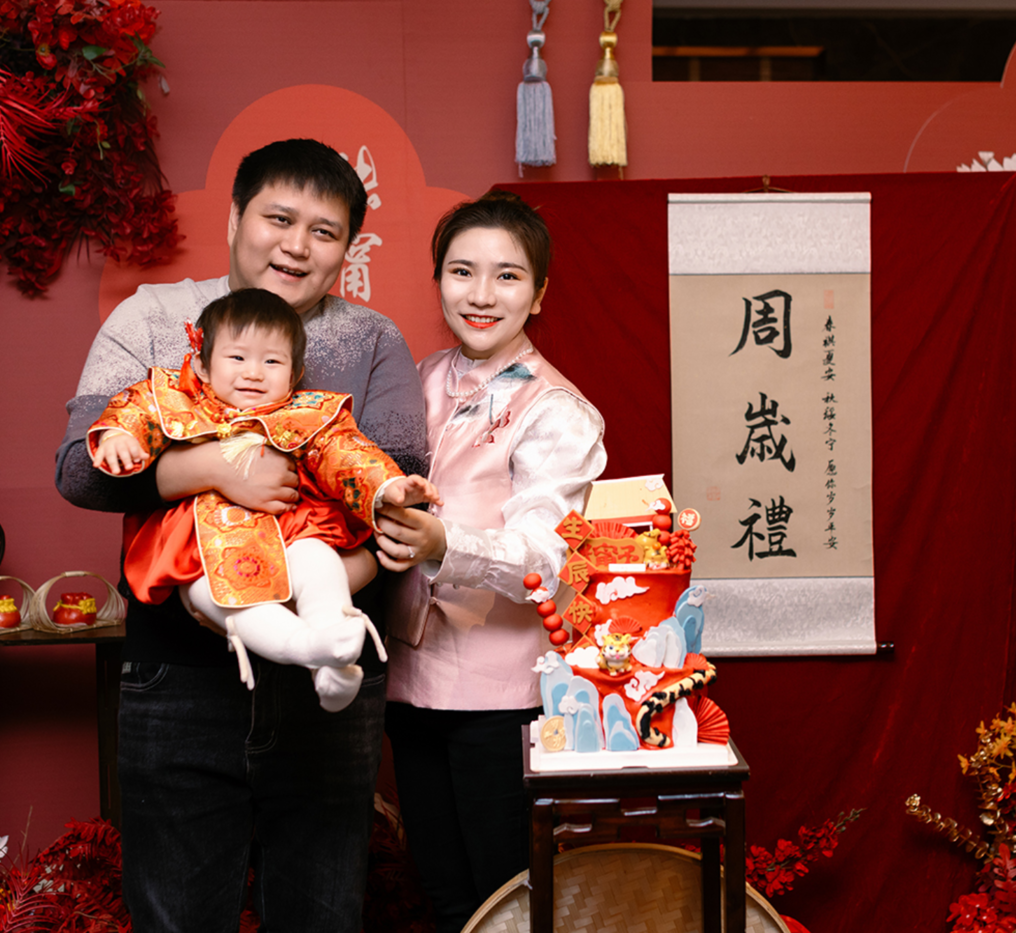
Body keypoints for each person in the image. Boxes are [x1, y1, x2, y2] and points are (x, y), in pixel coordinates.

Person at [55, 138, 426, 932]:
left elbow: (393, 494)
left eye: (324, 231)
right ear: (234, 218)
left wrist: (316, 583)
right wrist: (216, 468)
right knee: (177, 915)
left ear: (348, 249)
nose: (297, 246)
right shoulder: (153, 318)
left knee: (322, 913)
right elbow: (80, 470)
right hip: (180, 671)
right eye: (278, 219)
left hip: (328, 672)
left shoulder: (372, 340)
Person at [372, 191, 607, 933]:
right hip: (407, 683)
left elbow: (549, 554)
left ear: (538, 293)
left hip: (501, 694)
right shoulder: (416, 377)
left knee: (508, 899)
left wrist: (444, 544)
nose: (480, 294)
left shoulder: (557, 410)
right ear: (438, 280)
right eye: (461, 271)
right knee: (444, 896)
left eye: (507, 276)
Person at [89, 288, 440, 711]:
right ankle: (307, 649)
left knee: (319, 560)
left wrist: (387, 487)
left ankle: (334, 646)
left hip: (292, 526)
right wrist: (118, 435)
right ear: (202, 365)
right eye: (237, 358)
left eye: (272, 362)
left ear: (294, 375)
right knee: (218, 596)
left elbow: (346, 452)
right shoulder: (174, 399)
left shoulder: (308, 414)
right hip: (202, 540)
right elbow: (135, 409)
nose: (254, 373)